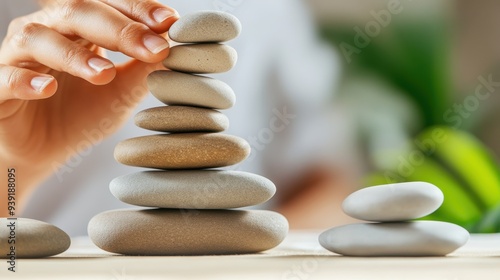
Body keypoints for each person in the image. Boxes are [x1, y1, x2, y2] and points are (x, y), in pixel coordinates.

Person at [0, 0, 342, 236]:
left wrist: (244, 249)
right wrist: (16, 167)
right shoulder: (14, 28)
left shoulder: (265, 10)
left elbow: (326, 186)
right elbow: (10, 249)